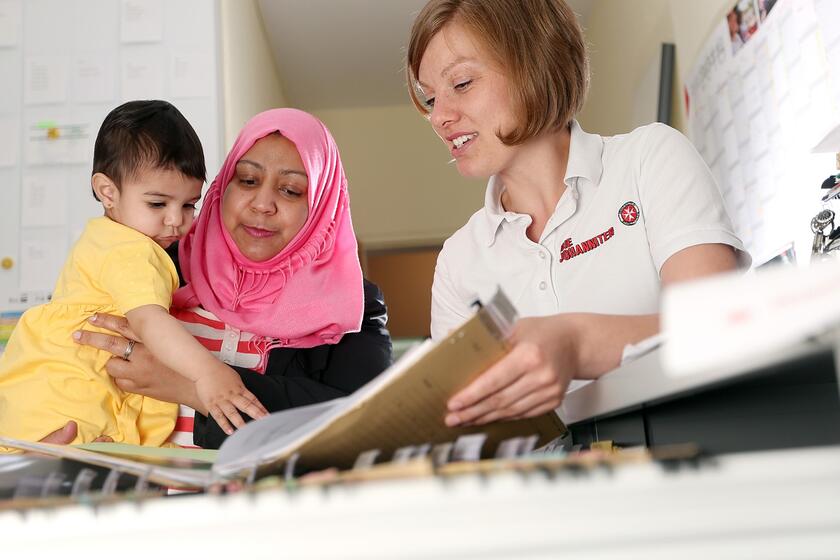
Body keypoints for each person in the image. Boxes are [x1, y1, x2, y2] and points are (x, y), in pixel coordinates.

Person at [405, 0, 750, 428]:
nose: (439, 117)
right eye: (430, 98)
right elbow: (466, 428)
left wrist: (575, 343)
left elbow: (723, 327)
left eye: (460, 83)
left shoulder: (650, 159)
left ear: (537, 62)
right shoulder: (459, 261)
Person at [72, 108, 393, 449]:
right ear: (224, 185)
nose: (262, 204)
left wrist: (189, 388)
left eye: (291, 190)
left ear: (321, 206)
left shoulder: (353, 308)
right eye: (248, 181)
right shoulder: (157, 264)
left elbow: (365, 423)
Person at [0, 100, 267, 451]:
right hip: (69, 398)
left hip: (50, 398)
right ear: (108, 192)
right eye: (158, 204)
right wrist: (209, 374)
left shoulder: (105, 237)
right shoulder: (131, 250)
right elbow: (149, 322)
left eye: (189, 204)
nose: (175, 220)